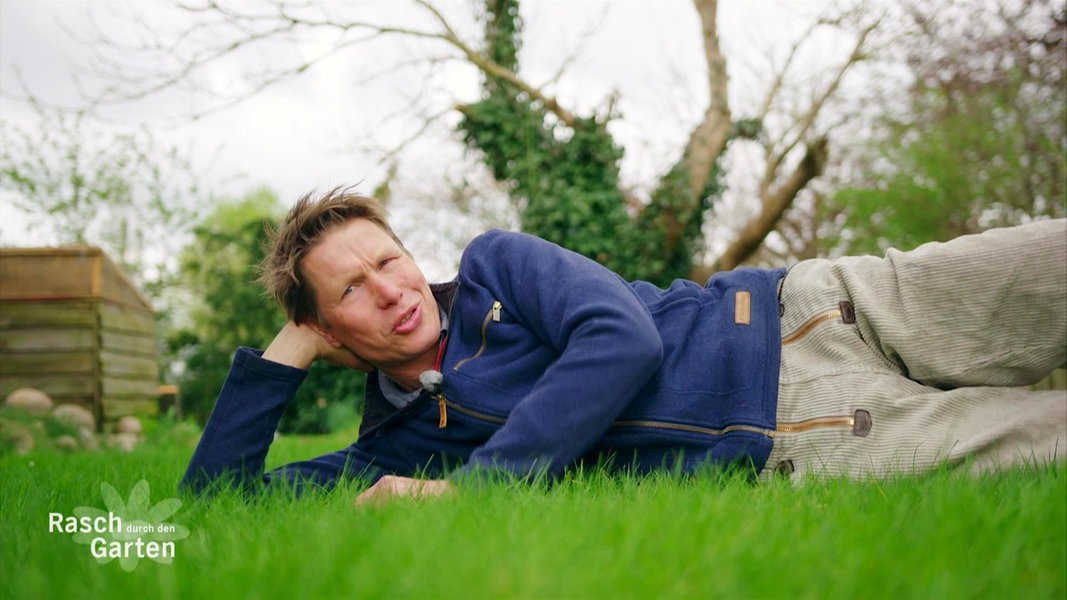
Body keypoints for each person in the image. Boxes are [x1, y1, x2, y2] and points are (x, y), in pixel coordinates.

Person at [179, 187, 1067, 504]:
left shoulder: (496, 266)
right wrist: (286, 350)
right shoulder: (394, 453)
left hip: (831, 306)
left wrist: (473, 491)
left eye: (389, 259)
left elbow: (621, 339)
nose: (391, 290)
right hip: (808, 434)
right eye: (350, 292)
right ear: (329, 328)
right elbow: (212, 504)